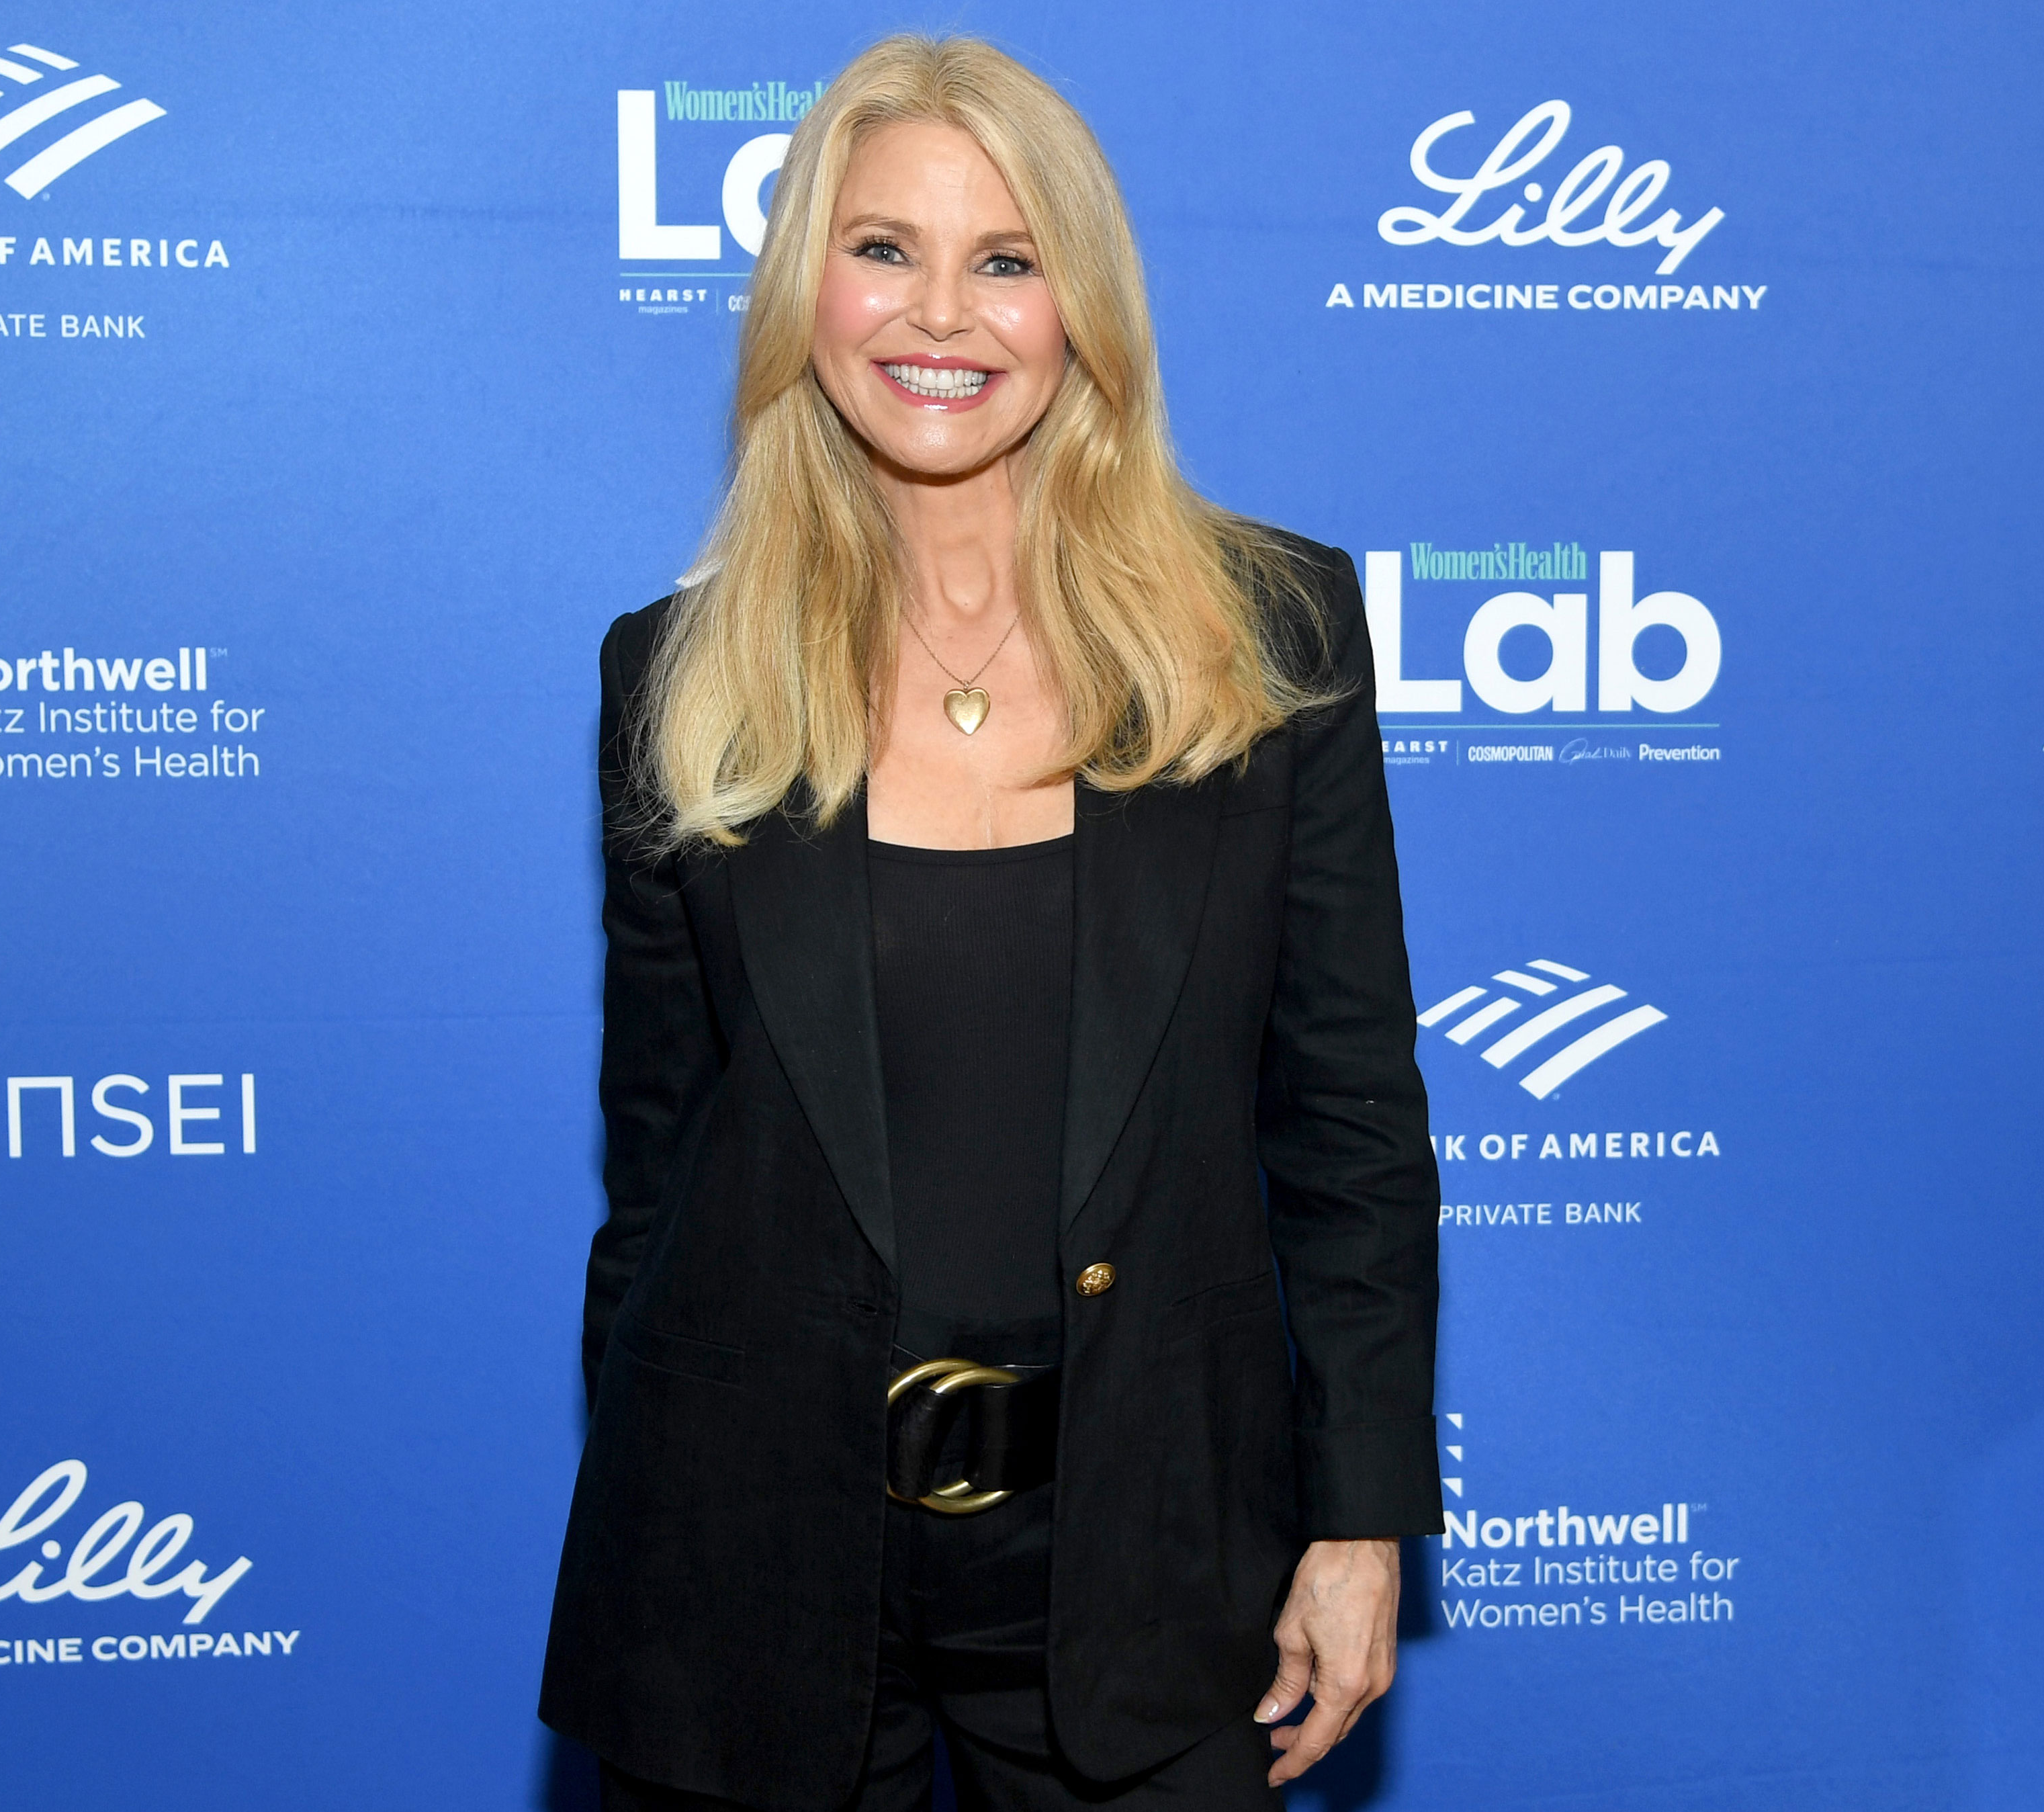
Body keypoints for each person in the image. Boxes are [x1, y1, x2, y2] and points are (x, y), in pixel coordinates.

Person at [541, 34, 1441, 1811]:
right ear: (805, 286)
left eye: (1005, 259)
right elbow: (659, 1168)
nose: (938, 313)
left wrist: (1358, 1515)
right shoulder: (679, 674)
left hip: (1146, 1563)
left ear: (1080, 306)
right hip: (754, 1571)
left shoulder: (1274, 639)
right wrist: (668, 1527)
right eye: (883, 249)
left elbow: (1348, 1122)